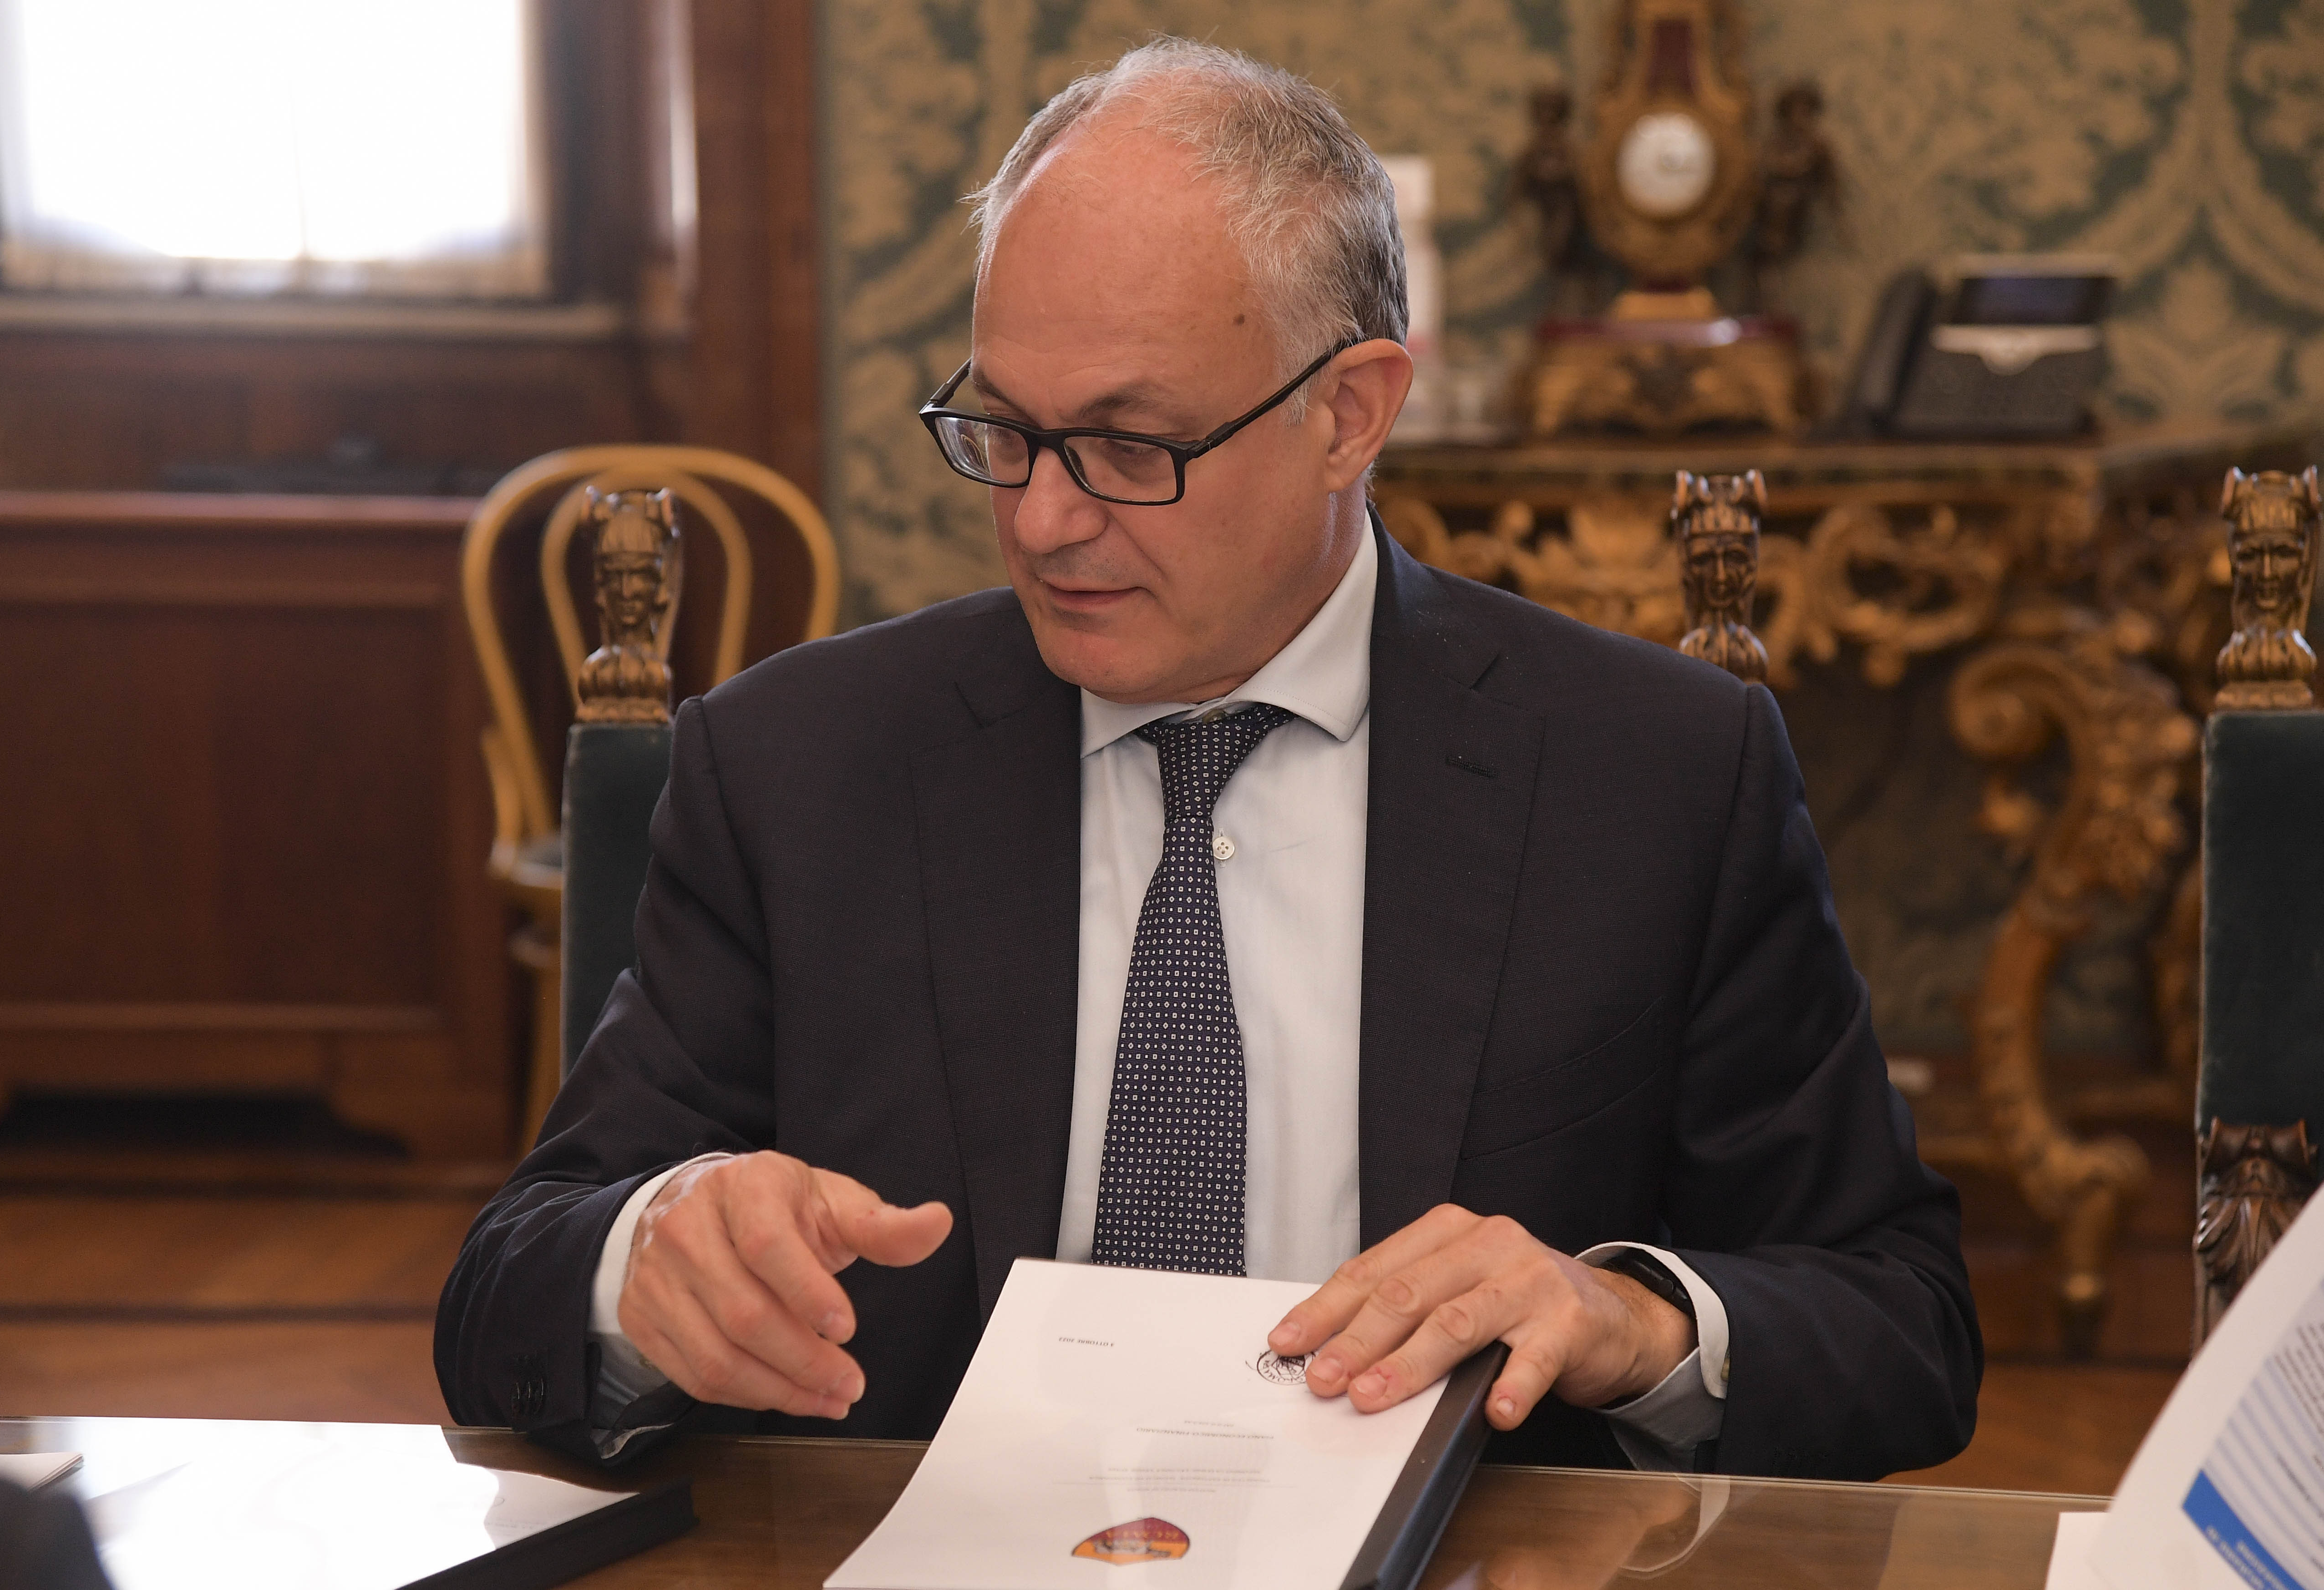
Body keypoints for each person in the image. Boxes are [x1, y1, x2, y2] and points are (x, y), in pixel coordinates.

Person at [436, 38, 1979, 1480]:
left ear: (1350, 414)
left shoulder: (1651, 777)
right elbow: (503, 1290)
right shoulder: (799, 770)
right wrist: (649, 1258)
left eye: (1128, 447)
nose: (1042, 518)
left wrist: (1626, 1321)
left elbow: (1900, 1325)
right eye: (1003, 430)